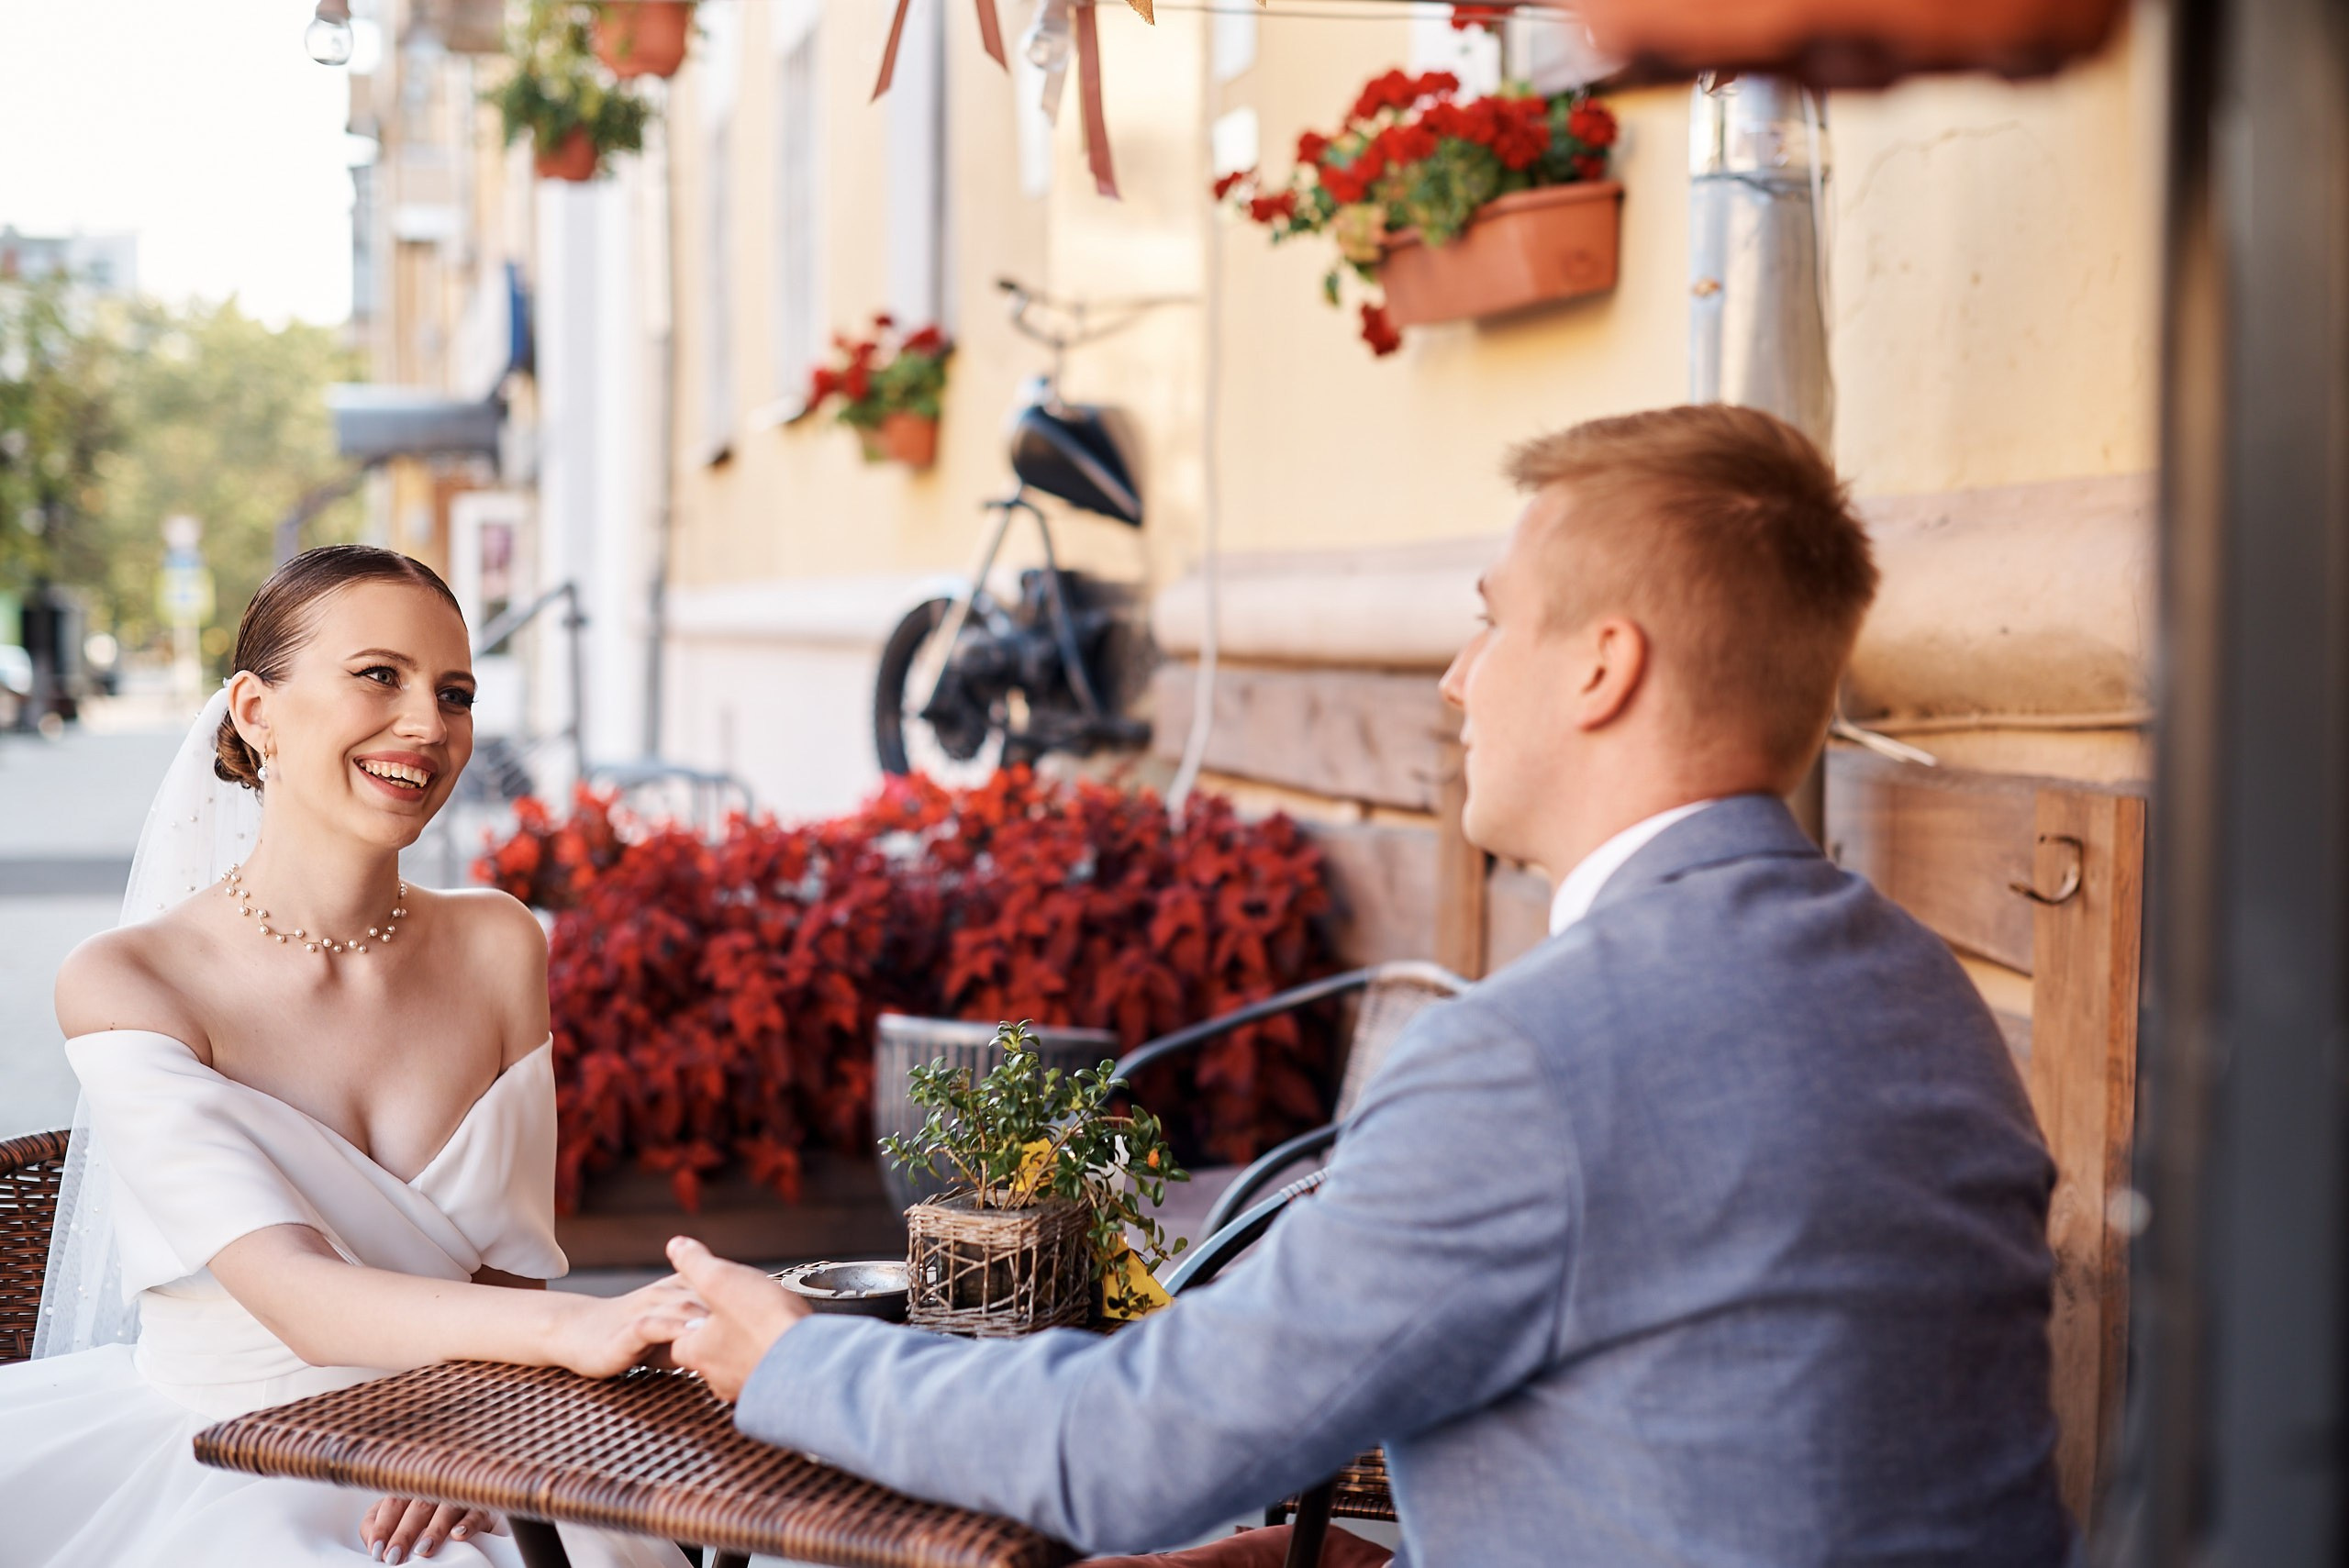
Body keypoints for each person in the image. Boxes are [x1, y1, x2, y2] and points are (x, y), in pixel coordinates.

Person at [645, 406, 2076, 1566]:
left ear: (1602, 668)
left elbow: (1132, 1452)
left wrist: (794, 1362)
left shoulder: (1530, 1060)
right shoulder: (1922, 994)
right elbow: (1736, 1453)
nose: (1457, 680)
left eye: (1493, 622)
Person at [0, 547, 694, 1567]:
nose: (429, 724)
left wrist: (477, 1422)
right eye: (379, 675)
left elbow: (510, 1274)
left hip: (466, 1430)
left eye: (454, 693)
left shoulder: (499, 942)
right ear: (255, 710)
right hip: (232, 1457)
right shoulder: (129, 979)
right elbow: (298, 1294)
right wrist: (589, 1330)